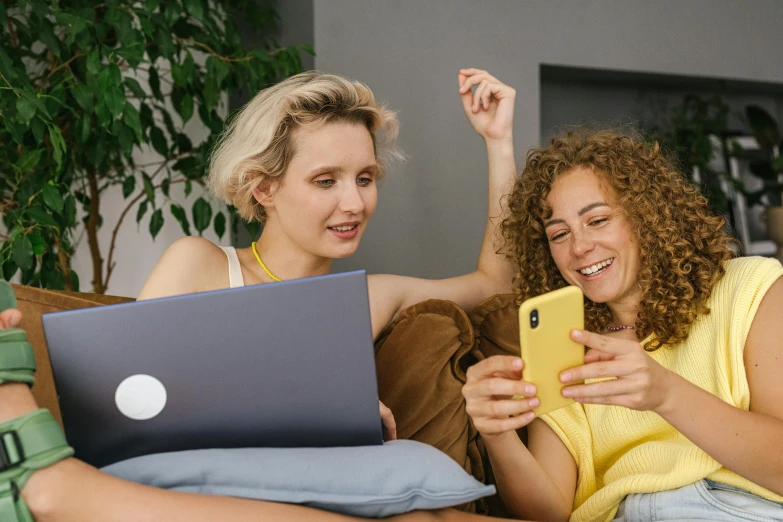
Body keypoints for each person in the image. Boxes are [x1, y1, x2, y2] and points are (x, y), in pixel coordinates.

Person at [0, 68, 519, 521]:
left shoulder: (369, 298)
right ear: (263, 188)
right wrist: (322, 400)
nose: (354, 202)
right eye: (325, 181)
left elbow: (496, 284)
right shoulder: (198, 263)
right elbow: (130, 410)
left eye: (365, 178)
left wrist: (498, 142)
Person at [462, 130, 783, 522]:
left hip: (729, 506)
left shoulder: (749, 289)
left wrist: (666, 394)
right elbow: (547, 514)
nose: (579, 247)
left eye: (597, 220)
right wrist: (498, 434)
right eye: (559, 234)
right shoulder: (564, 346)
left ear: (647, 216)